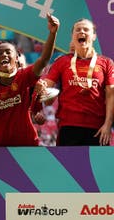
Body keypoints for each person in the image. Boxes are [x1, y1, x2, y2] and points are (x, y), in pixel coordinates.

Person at [0, 13, 59, 146]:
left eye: (8, 52)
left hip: (26, 145)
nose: (4, 54)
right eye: (0, 53)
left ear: (16, 57)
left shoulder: (25, 76)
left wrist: (52, 33)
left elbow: (43, 60)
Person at [38, 18, 114, 146]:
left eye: (86, 29)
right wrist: (43, 91)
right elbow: (47, 98)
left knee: (97, 166)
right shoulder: (61, 62)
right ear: (72, 36)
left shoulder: (107, 63)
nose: (81, 32)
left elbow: (111, 95)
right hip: (68, 127)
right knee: (67, 166)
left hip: (98, 128)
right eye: (77, 30)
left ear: (94, 36)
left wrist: (107, 125)